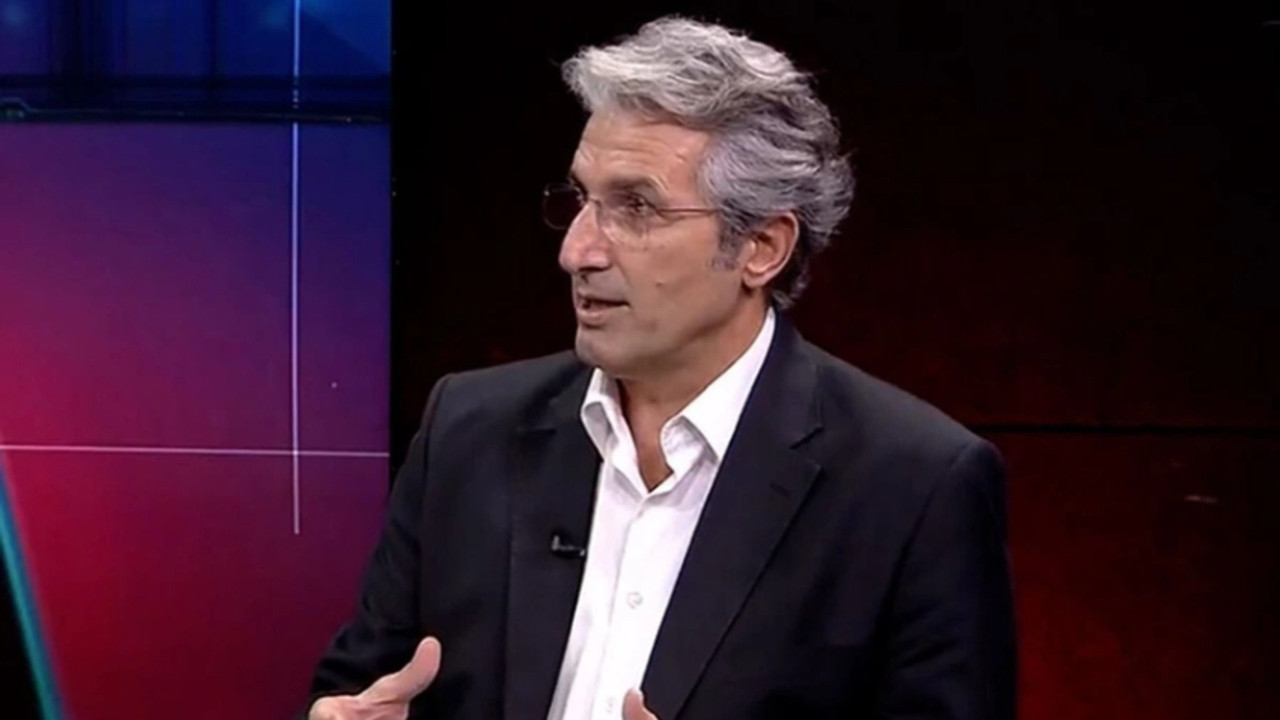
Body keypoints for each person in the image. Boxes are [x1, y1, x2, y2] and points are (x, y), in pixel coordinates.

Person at [304, 15, 1016, 720]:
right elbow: (356, 686)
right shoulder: (468, 429)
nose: (577, 251)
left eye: (636, 208)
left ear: (761, 248)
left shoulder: (913, 488)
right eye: (582, 200)